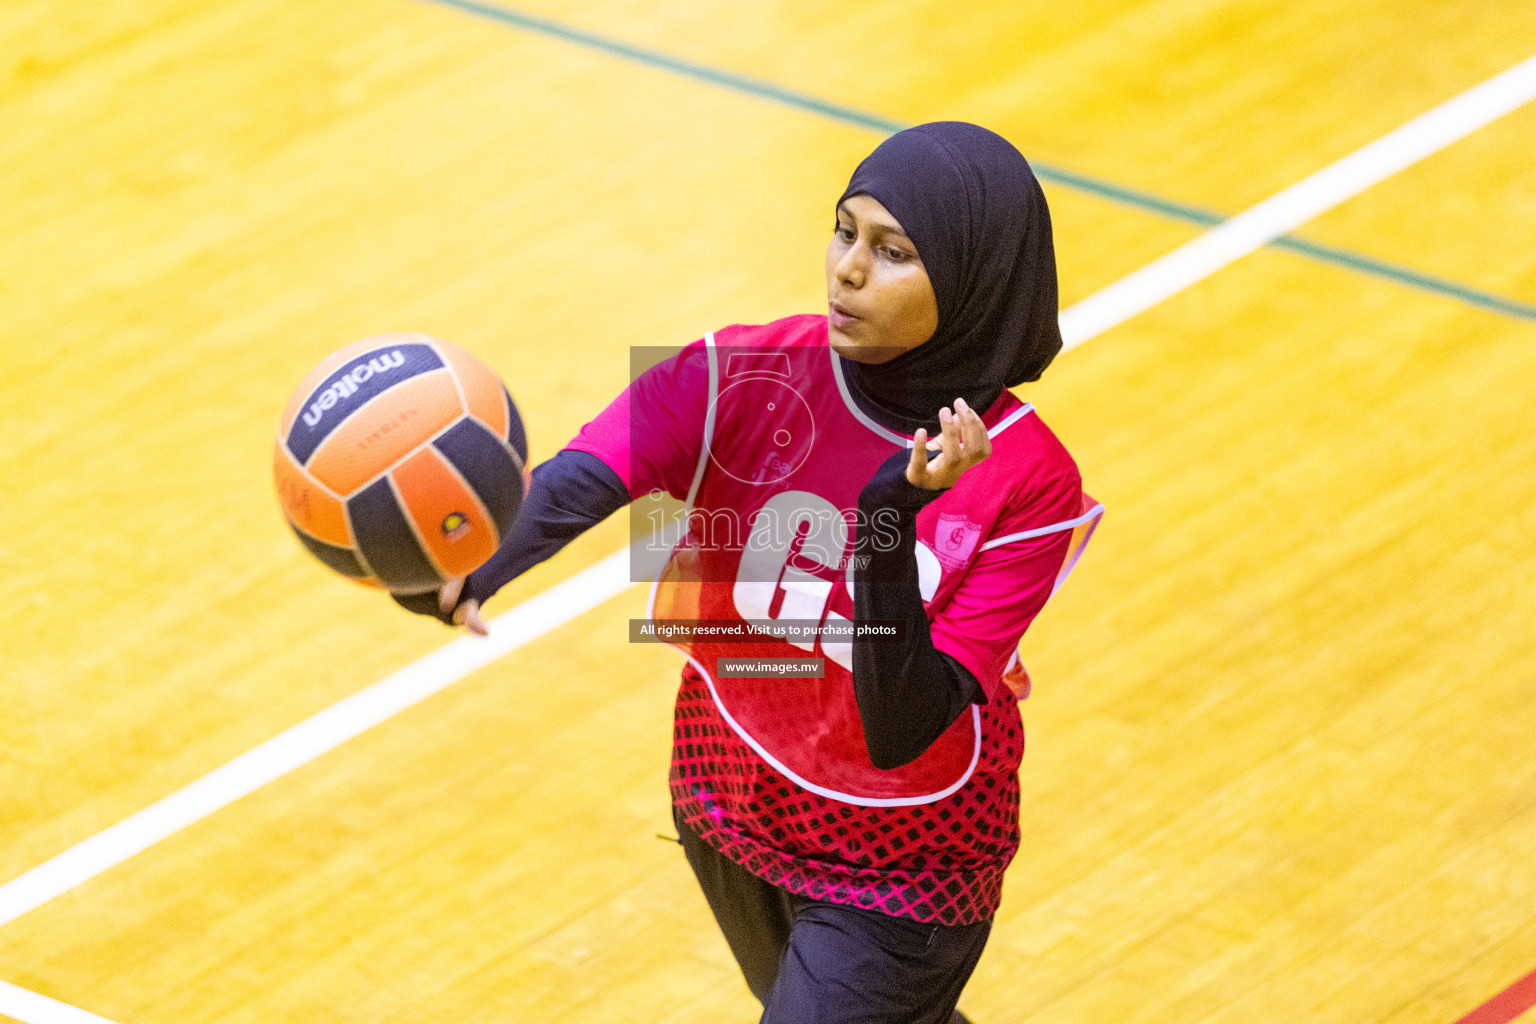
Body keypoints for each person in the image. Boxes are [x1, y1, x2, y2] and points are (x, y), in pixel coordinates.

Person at [397, 121, 1101, 1024]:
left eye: (893, 253)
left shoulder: (1030, 479)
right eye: (845, 230)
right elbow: (581, 480)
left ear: (972, 282)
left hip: (908, 854)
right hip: (731, 787)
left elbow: (903, 726)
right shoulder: (743, 368)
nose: (847, 269)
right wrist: (466, 563)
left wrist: (889, 517)